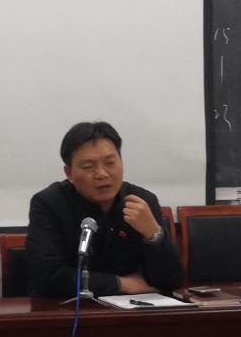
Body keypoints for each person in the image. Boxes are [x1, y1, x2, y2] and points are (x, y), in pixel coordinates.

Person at [26, 121, 184, 299]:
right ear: (69, 173)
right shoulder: (49, 204)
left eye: (110, 162)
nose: (102, 174)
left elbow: (171, 281)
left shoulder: (141, 201)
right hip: (64, 309)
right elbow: (47, 276)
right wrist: (120, 284)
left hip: (130, 309)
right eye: (88, 166)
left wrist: (154, 236)